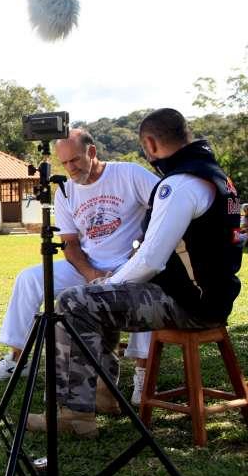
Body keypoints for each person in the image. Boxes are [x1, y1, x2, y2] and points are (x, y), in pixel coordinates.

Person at [28, 108, 242, 437]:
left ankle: (73, 415)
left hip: (189, 304)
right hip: (210, 297)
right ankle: (103, 396)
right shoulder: (212, 174)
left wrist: (106, 282)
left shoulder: (180, 184)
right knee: (97, 301)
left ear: (151, 144)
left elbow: (150, 261)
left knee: (75, 302)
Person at [0, 129, 158, 407]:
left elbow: (166, 203)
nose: (71, 169)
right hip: (87, 265)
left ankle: (143, 374)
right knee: (30, 278)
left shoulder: (129, 174)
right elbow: (70, 244)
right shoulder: (66, 190)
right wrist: (92, 275)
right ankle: (17, 359)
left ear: (92, 152)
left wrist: (144, 247)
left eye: (75, 161)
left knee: (146, 287)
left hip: (129, 264)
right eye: (65, 163)